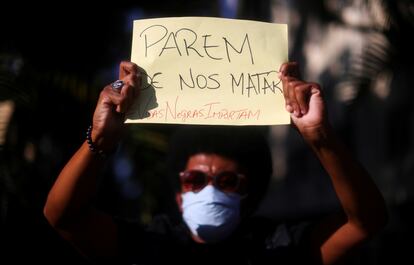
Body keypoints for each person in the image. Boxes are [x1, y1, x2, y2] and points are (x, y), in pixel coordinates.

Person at [43, 61, 388, 264]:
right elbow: (62, 216)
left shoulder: (278, 247)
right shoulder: (151, 245)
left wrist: (320, 137)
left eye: (227, 181)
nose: (208, 189)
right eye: (194, 179)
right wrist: (100, 141)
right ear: (179, 194)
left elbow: (365, 222)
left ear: (248, 194)